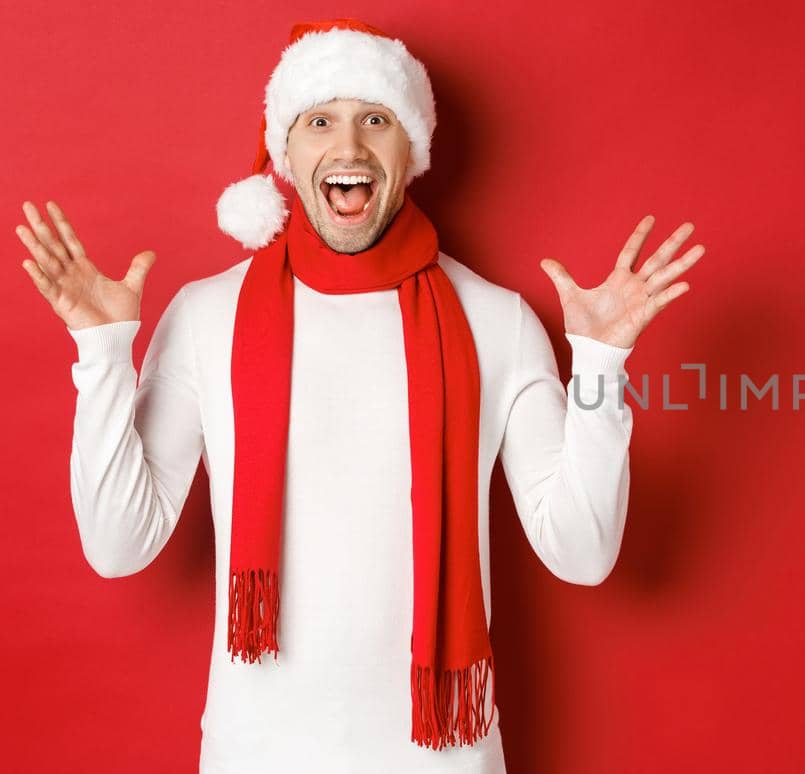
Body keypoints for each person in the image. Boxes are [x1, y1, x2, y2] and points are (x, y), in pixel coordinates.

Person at [13, 18, 702, 774]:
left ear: (411, 152)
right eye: (320, 123)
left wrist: (601, 365)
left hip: (443, 760)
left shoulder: (495, 321)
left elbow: (584, 555)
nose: (348, 149)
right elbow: (118, 548)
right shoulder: (207, 314)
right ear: (286, 152)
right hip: (255, 757)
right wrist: (103, 354)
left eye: (375, 120)